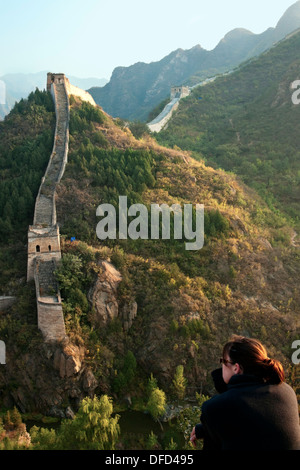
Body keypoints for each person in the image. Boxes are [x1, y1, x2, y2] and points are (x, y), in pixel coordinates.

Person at [190, 335, 300, 450]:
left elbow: (232, 409)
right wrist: (206, 429)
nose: (221, 365)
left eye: (223, 361)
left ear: (236, 368)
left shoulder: (215, 408)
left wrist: (209, 427)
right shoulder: (287, 391)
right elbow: (258, 424)